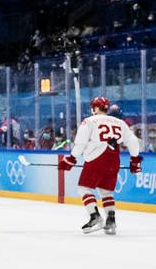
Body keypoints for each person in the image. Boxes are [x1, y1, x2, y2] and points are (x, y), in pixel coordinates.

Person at [59, 96, 143, 235]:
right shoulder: (120, 122)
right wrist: (134, 160)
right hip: (114, 159)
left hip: (96, 158)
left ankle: (95, 216)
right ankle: (111, 220)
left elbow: (80, 143)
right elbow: (133, 142)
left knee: (84, 188)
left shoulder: (89, 121)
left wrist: (71, 159)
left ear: (96, 108)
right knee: (106, 191)